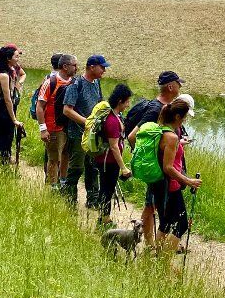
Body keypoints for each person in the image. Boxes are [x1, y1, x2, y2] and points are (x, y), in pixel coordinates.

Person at [126, 71, 184, 246]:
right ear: (171, 86)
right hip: (158, 170)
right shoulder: (155, 109)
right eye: (178, 84)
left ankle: (152, 244)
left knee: (152, 205)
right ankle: (150, 245)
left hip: (162, 169)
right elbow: (132, 136)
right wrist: (150, 159)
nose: (180, 87)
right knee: (151, 206)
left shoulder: (167, 108)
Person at [145, 98, 201, 256]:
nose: (185, 120)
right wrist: (188, 181)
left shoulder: (160, 129)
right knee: (181, 224)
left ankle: (156, 257)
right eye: (184, 117)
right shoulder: (171, 137)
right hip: (169, 186)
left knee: (165, 223)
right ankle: (164, 261)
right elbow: (168, 167)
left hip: (159, 184)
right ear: (177, 117)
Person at [61, 54, 108, 207]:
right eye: (102, 67)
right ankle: (69, 201)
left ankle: (92, 200)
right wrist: (88, 123)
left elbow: (99, 104)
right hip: (77, 134)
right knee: (76, 168)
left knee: (93, 167)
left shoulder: (96, 83)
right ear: (92, 67)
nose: (104, 71)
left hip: (93, 135)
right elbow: (67, 110)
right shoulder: (76, 84)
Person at [36, 53, 78, 185]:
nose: (77, 68)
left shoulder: (74, 82)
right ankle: (51, 186)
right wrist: (43, 129)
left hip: (69, 127)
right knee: (54, 158)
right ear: (65, 66)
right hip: (53, 128)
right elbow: (39, 106)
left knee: (66, 155)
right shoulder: (50, 82)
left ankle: (63, 181)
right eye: (74, 65)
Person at [97, 83, 134, 228]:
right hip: (108, 161)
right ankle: (104, 219)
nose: (128, 104)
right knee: (107, 189)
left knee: (108, 188)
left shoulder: (115, 115)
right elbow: (113, 146)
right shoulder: (112, 120)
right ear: (120, 101)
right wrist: (123, 168)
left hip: (108, 160)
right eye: (127, 101)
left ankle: (103, 217)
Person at [0, 46, 23, 162]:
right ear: (8, 58)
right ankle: (2, 159)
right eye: (16, 56)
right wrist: (14, 119)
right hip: (3, 110)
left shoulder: (0, 71)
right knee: (5, 136)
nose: (18, 59)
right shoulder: (4, 76)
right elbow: (7, 99)